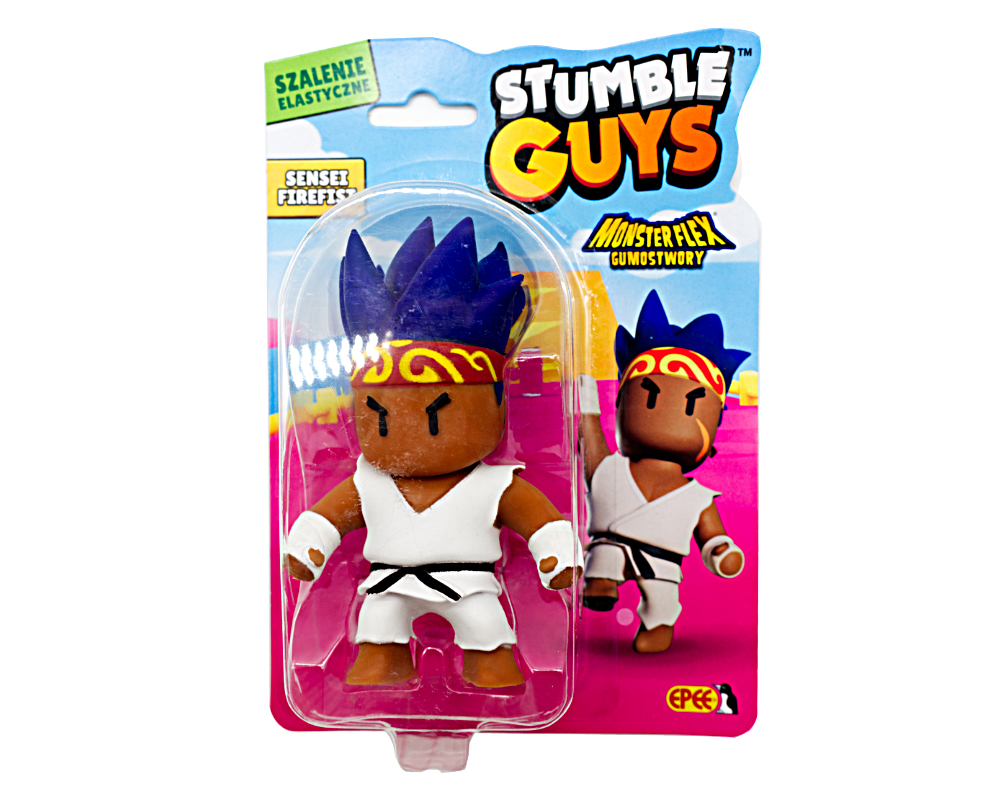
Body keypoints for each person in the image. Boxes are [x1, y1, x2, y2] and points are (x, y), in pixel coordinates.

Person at [284, 217, 581, 687]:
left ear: (497, 407)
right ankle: (382, 666)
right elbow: (327, 517)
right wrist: (310, 543)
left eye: (436, 417)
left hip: (470, 585)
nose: (409, 435)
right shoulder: (369, 482)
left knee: (486, 630)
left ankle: (492, 670)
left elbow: (540, 522)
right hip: (387, 583)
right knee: (377, 627)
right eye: (380, 418)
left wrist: (554, 553)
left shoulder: (494, 484)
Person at [578, 290, 749, 653]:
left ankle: (657, 629)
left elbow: (711, 535)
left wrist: (720, 551)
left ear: (713, 437)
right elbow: (588, 436)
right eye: (650, 398)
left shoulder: (697, 497)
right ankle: (600, 584)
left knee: (663, 605)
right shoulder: (610, 469)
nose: (668, 417)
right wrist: (585, 399)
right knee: (604, 558)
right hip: (610, 545)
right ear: (622, 409)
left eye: (691, 409)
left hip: (662, 560)